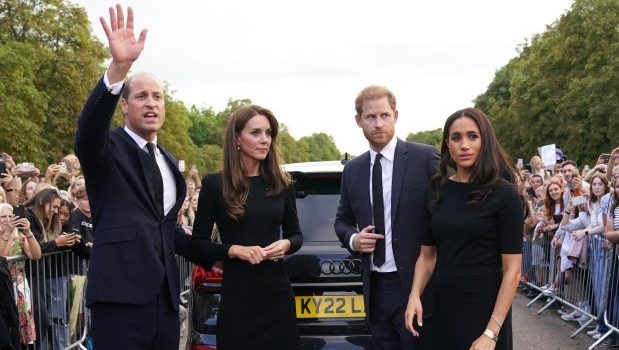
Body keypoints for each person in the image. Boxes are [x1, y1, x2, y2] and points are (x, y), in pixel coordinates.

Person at [74, 5, 192, 349]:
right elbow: (88, 130)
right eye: (141, 96)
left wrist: (224, 252)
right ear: (124, 105)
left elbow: (166, 230)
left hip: (166, 304)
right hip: (120, 301)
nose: (151, 103)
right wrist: (119, 68)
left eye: (158, 96)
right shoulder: (106, 149)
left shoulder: (169, 162)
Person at [405, 107, 523, 350]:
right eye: (456, 138)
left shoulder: (505, 195)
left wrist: (491, 332)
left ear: (485, 140)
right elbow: (427, 257)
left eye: (472, 136)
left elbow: (512, 270)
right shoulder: (436, 191)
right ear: (447, 144)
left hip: (486, 311)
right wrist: (415, 295)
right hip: (441, 308)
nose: (464, 145)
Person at [189, 104, 303, 349]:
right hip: (238, 298)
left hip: (277, 296)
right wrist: (235, 250)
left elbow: (296, 235)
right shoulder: (214, 184)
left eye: (268, 133)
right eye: (256, 133)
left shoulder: (282, 184)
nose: (265, 140)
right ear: (237, 139)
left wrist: (286, 244)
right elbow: (198, 245)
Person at [334, 85, 439, 349]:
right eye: (370, 117)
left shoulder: (424, 158)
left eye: (384, 115)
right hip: (375, 288)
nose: (378, 123)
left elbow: (451, 210)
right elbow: (342, 221)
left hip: (418, 287)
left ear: (395, 115)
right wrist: (354, 240)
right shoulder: (353, 170)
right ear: (359, 121)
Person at [0, 203, 41, 346]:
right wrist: (6, 234)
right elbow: (1, 258)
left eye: (10, 216)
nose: (7, 219)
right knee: (7, 329)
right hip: (3, 290)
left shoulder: (20, 236)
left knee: (22, 331)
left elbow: (36, 255)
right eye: (3, 216)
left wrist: (28, 232)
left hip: (20, 288)